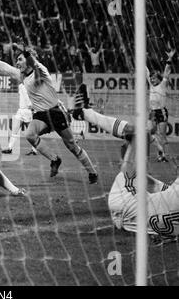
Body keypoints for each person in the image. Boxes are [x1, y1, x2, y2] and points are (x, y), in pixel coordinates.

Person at [0, 42, 98, 183]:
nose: (17, 63)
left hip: (55, 112)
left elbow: (32, 62)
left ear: (28, 61)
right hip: (40, 115)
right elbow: (5, 67)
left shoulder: (40, 70)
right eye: (17, 60)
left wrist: (25, 51)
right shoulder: (22, 75)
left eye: (20, 59)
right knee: (29, 135)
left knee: (72, 146)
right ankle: (55, 159)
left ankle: (92, 172)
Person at [73, 85, 179, 240]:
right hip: (133, 221)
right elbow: (161, 188)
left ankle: (85, 113)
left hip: (124, 200)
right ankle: (86, 113)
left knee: (140, 132)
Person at [146, 49, 176, 162]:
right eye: (151, 78)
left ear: (158, 79)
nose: (152, 80)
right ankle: (160, 150)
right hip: (152, 112)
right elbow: (146, 71)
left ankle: (162, 155)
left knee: (162, 135)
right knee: (148, 132)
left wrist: (169, 59)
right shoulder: (151, 85)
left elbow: (167, 71)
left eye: (154, 78)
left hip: (161, 111)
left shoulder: (163, 84)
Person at [1, 83, 39, 156]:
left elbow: (31, 97)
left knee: (31, 132)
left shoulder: (31, 85)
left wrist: (32, 107)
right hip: (21, 110)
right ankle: (9, 148)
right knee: (14, 130)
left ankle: (34, 150)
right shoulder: (21, 85)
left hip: (28, 111)